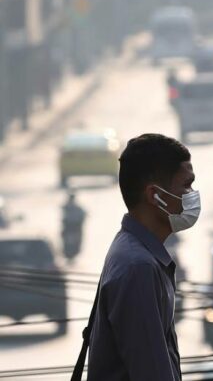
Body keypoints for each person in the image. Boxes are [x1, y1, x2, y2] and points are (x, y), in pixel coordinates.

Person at [82, 134, 198, 381]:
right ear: (154, 195)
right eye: (186, 185)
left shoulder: (135, 253)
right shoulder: (138, 267)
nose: (192, 195)